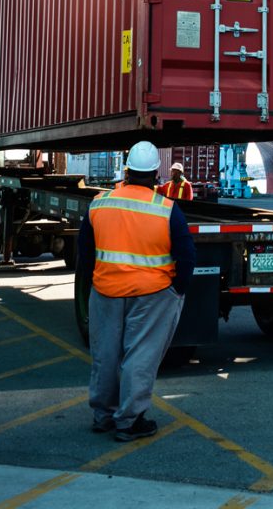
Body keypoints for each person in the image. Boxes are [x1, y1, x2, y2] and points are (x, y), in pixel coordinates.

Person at [78, 141, 196, 442]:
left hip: (106, 290)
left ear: (127, 171)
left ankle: (103, 416)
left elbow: (85, 255)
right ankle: (129, 421)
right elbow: (186, 256)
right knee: (140, 357)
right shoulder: (166, 209)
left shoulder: (100, 204)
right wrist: (176, 292)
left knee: (104, 355)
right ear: (157, 174)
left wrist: (94, 284)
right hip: (152, 294)